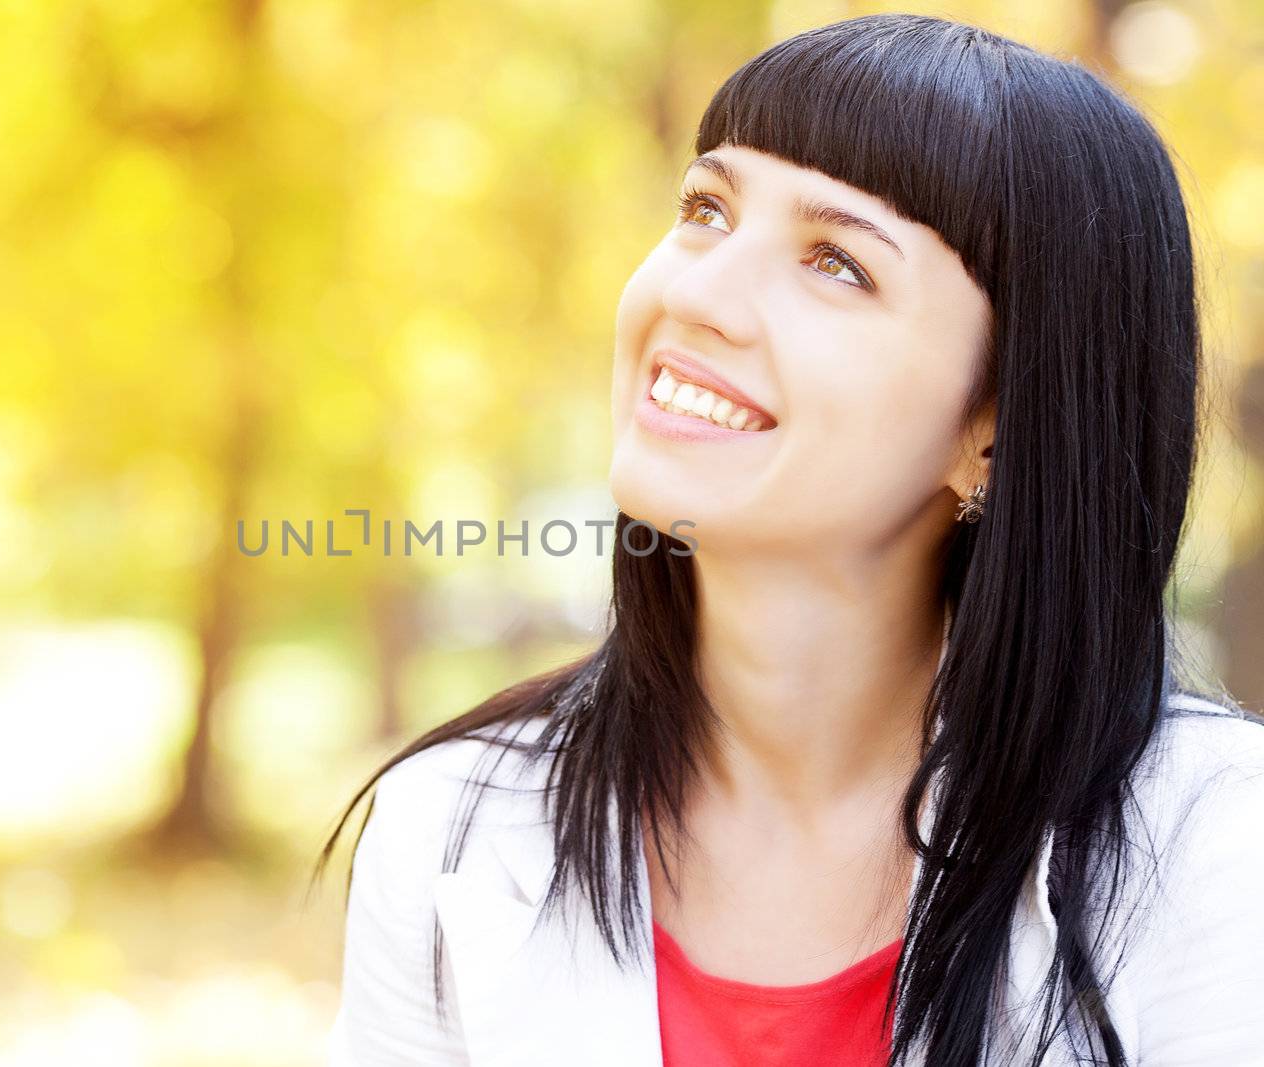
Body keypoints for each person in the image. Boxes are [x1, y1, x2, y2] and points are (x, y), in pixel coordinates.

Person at [312, 13, 1264, 1066]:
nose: (697, 292)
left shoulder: (1212, 852)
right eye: (706, 209)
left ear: (993, 432)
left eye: (836, 263)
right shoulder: (452, 825)